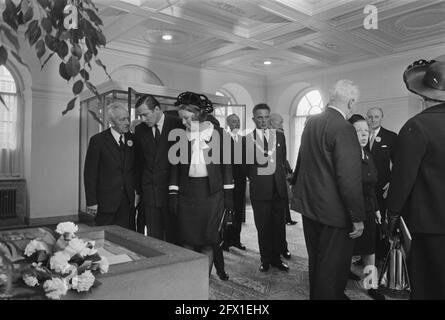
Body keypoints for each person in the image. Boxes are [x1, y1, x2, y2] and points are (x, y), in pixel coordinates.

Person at [293, 80, 365, 300]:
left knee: (317, 261)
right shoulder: (344, 128)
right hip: (334, 212)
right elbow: (349, 177)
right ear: (351, 102)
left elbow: (303, 161)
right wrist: (357, 217)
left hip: (310, 207)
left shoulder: (311, 122)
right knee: (331, 268)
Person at [387, 59, 445, 300]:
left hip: (428, 225)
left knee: (426, 286)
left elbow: (403, 179)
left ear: (423, 96)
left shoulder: (417, 126)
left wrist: (391, 217)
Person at [168, 91, 234, 276]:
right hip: (187, 195)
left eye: (187, 118)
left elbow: (227, 170)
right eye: (182, 119)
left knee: (208, 240)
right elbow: (174, 169)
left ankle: (202, 281)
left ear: (199, 115)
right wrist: (173, 195)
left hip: (212, 196)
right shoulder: (180, 136)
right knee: (187, 240)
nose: (183, 123)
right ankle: (191, 279)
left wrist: (229, 202)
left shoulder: (220, 135)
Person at [245, 104, 289, 272]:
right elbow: (245, 166)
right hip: (260, 191)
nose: (263, 121)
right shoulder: (247, 139)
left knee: (278, 227)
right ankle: (265, 259)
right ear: (254, 119)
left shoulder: (280, 136)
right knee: (263, 227)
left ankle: (277, 258)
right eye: (260, 117)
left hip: (278, 189)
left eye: (266, 117)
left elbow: (282, 160)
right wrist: (258, 179)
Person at [134, 94, 182, 243]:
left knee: (174, 238)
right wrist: (139, 191)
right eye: (140, 116)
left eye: (145, 115)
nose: (143, 119)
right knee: (154, 240)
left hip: (172, 194)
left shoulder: (178, 125)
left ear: (156, 109)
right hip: (150, 193)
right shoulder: (140, 130)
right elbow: (139, 163)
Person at [348, 114, 385, 300]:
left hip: (369, 209)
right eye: (358, 131)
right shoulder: (346, 157)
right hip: (351, 211)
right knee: (347, 248)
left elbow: (371, 187)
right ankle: (343, 275)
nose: (363, 134)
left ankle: (371, 285)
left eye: (365, 131)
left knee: (370, 249)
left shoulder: (368, 155)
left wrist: (377, 209)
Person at [84, 102, 137, 229]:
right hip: (106, 203)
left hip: (128, 202)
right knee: (105, 238)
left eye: (127, 118)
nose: (127, 122)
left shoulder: (133, 139)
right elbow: (90, 173)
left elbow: (135, 169)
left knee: (127, 238)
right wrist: (91, 202)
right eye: (122, 119)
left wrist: (137, 193)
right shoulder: (98, 141)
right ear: (111, 122)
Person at [365, 107, 397, 261]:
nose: (373, 119)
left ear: (382, 117)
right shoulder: (361, 136)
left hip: (382, 188)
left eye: (376, 116)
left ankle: (381, 253)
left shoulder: (391, 137)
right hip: (364, 188)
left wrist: (392, 182)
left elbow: (399, 163)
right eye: (370, 117)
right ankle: (366, 252)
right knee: (366, 220)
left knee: (380, 220)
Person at [268, 113, 293, 261]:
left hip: (279, 184)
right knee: (267, 223)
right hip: (264, 186)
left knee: (280, 220)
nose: (282, 124)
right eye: (280, 122)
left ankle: (283, 248)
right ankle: (269, 253)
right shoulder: (256, 136)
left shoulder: (280, 135)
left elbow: (283, 159)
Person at [221, 113, 247, 252]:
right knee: (227, 210)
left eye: (238, 121)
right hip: (227, 181)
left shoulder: (244, 140)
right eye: (233, 121)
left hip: (241, 181)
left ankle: (236, 240)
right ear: (228, 124)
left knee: (238, 210)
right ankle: (225, 241)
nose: (236, 124)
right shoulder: (223, 140)